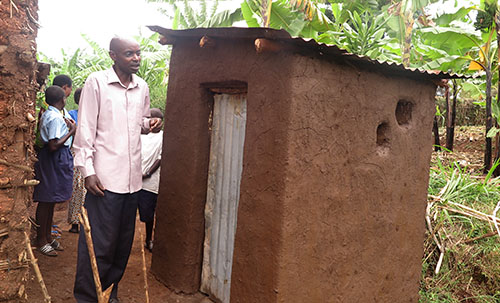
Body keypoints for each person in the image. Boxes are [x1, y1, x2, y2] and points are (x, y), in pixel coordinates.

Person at [73, 36, 162, 303]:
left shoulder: (142, 87)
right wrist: (87, 171)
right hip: (104, 181)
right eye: (129, 54)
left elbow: (140, 123)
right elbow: (85, 130)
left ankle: (109, 294)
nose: (136, 58)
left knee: (121, 247)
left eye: (138, 53)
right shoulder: (97, 83)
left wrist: (150, 124)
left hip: (133, 183)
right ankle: (89, 298)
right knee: (99, 245)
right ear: (113, 56)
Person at [33, 85, 76, 257]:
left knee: (51, 199)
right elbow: (53, 145)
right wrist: (72, 131)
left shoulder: (52, 114)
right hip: (53, 159)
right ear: (62, 100)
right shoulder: (55, 118)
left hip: (56, 158)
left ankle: (48, 236)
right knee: (46, 200)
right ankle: (41, 239)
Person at [138, 108, 163, 252]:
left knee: (148, 214)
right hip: (134, 180)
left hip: (150, 182)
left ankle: (148, 239)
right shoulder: (141, 136)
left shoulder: (162, 137)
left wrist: (147, 173)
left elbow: (161, 157)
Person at [67, 88, 85, 233]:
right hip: (76, 153)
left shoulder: (96, 115)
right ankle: (75, 221)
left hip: (93, 153)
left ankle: (87, 220)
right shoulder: (72, 114)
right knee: (77, 188)